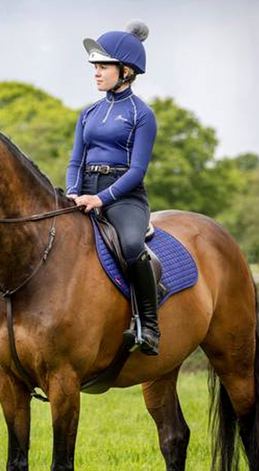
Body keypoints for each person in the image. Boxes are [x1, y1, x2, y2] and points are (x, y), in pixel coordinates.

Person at [66, 20, 160, 355]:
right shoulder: (88, 113)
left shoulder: (142, 115)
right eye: (95, 66)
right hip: (85, 188)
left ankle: (149, 325)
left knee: (132, 245)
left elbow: (137, 171)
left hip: (124, 197)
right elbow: (75, 161)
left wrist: (101, 198)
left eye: (103, 66)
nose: (96, 72)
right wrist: (72, 192)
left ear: (126, 71)